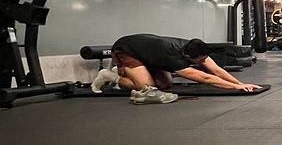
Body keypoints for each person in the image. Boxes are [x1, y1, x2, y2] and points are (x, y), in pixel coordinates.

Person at [91, 34, 262, 104]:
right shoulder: (175, 59)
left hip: (150, 54)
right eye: (200, 61)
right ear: (188, 58)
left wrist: (241, 84)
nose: (203, 62)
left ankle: (128, 73)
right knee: (146, 87)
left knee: (164, 85)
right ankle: (109, 75)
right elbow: (206, 78)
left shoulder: (196, 49)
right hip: (126, 49)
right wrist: (235, 87)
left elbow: (216, 71)